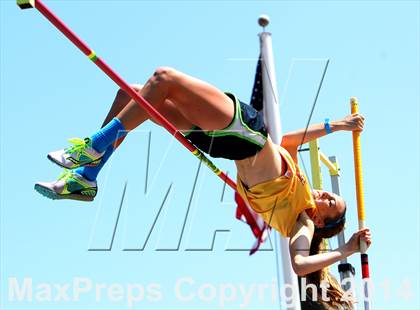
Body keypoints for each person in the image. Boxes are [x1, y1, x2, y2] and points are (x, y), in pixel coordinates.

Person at [35, 67, 371, 307]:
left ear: (323, 222)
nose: (326, 194)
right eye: (332, 193)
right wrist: (337, 125)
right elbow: (288, 140)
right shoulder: (299, 182)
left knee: (164, 79)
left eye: (332, 204)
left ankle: (93, 146)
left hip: (244, 134)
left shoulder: (303, 221)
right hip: (224, 141)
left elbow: (299, 265)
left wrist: (347, 250)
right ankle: (87, 177)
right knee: (131, 95)